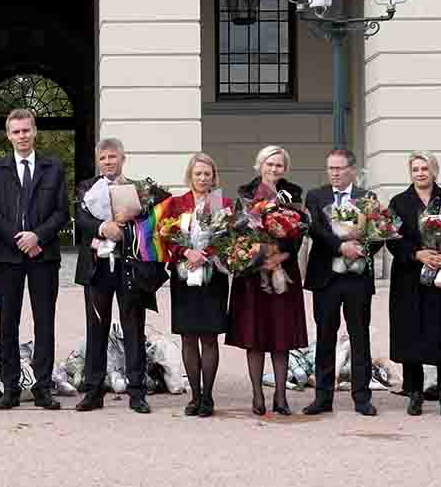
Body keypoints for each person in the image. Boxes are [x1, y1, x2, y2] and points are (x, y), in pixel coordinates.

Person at [0, 108, 68, 411]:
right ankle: (10, 388)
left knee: (44, 323)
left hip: (44, 255)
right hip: (7, 256)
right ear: (8, 135)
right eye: (16, 132)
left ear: (34, 131)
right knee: (8, 323)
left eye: (26, 130)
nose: (22, 136)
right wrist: (19, 238)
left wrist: (37, 237)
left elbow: (61, 212)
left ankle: (42, 388)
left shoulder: (53, 167)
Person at [72, 137, 164, 414]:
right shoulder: (86, 188)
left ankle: (137, 391)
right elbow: (81, 219)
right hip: (96, 268)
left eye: (113, 157)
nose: (108, 162)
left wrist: (127, 226)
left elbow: (155, 217)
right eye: (103, 158)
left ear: (123, 159)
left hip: (130, 268)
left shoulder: (140, 189)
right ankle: (93, 390)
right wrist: (104, 228)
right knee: (96, 328)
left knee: (133, 327)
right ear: (98, 161)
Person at [387, 152, 441, 417]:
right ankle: (414, 392)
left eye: (425, 168)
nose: (420, 173)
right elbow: (392, 238)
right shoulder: (399, 202)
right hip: (410, 278)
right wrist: (418, 254)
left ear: (434, 171)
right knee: (411, 332)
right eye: (415, 169)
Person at [225, 146, 309, 415]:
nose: (274, 169)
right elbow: (237, 231)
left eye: (279, 165)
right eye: (270, 164)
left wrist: (280, 256)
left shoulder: (293, 193)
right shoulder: (245, 194)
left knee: (281, 335)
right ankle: (257, 396)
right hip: (252, 273)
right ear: (260, 165)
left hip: (283, 268)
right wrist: (258, 256)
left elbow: (299, 230)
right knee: (255, 335)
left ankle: (282, 397)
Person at [303, 148, 378, 416]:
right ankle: (323, 397)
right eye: (330, 169)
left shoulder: (367, 198)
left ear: (351, 171)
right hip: (326, 278)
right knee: (325, 337)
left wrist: (359, 250)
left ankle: (362, 397)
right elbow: (316, 230)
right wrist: (340, 247)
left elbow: (379, 234)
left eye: (339, 168)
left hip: (357, 278)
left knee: (360, 337)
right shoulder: (315, 196)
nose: (334, 173)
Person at [163, 152, 230, 418]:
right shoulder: (176, 203)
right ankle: (194, 396)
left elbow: (229, 237)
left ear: (214, 177)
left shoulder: (221, 203)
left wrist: (205, 253)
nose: (202, 178)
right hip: (184, 275)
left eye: (207, 174)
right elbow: (165, 236)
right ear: (190, 176)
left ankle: (209, 397)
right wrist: (185, 252)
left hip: (213, 277)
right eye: (198, 174)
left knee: (209, 336)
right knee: (188, 336)